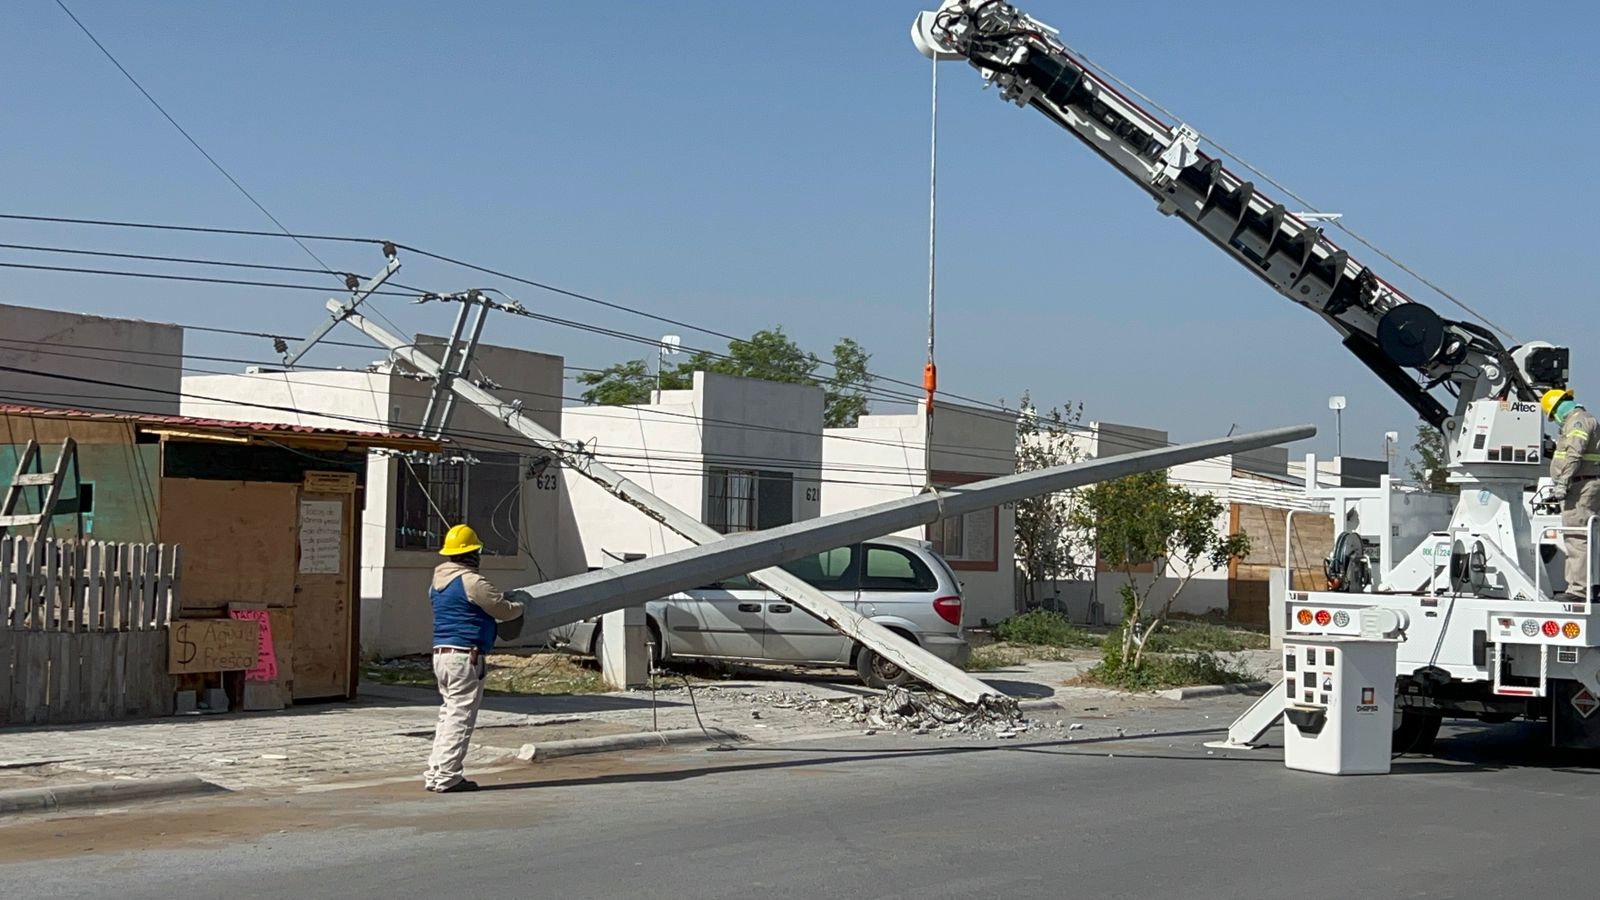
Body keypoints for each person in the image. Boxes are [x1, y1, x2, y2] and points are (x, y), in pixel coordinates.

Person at [423, 524, 525, 793]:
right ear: (472, 553)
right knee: (461, 716)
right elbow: (502, 609)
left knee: (448, 714)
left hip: (441, 655)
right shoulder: (471, 581)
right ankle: (448, 776)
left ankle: (436, 772)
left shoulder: (437, 583)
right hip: (466, 656)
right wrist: (521, 605)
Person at [1544, 389, 1600, 602]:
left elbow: (1575, 453)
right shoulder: (1585, 420)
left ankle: (1578, 591)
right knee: (1590, 537)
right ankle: (1592, 586)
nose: (1554, 420)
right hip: (1587, 484)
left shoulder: (1577, 422)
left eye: (1552, 415)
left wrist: (1563, 481)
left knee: (1577, 537)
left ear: (1558, 407)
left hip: (1580, 487)